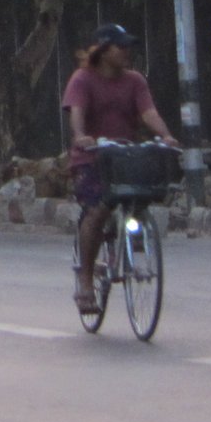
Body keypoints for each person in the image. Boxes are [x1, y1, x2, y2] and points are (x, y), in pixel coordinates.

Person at [64, 23, 179, 314]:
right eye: (120, 47)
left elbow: (148, 112)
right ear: (103, 50)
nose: (127, 52)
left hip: (124, 157)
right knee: (97, 210)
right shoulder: (82, 79)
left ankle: (125, 239)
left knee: (139, 198)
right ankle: (87, 280)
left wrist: (165, 136)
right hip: (92, 158)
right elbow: (76, 115)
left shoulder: (135, 81)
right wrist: (81, 137)